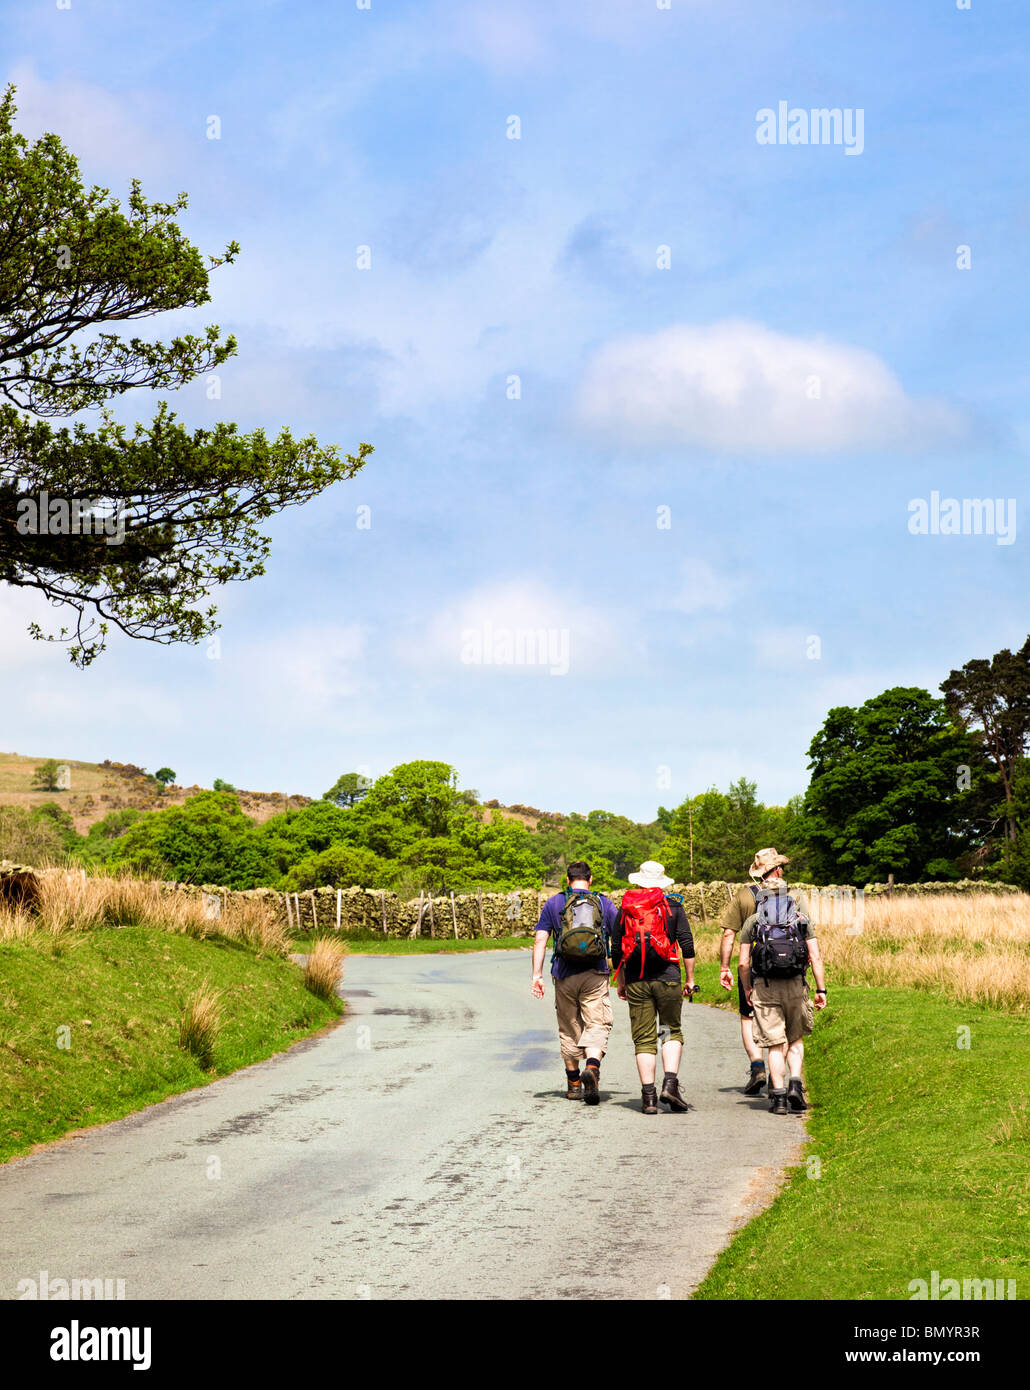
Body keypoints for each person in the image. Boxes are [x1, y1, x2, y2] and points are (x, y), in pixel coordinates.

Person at [736, 852, 826, 1114]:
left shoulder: (753, 922)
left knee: (775, 1044)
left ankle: (777, 1098)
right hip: (796, 985)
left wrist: (748, 988)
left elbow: (743, 962)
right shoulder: (801, 919)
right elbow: (815, 956)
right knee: (795, 1039)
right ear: (787, 894)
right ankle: (796, 1087)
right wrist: (821, 989)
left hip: (765, 985)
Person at [610, 861, 696, 1115]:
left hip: (637, 979)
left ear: (638, 881)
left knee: (644, 1039)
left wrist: (622, 980)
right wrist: (690, 978)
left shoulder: (626, 908)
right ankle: (670, 1084)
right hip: (668, 976)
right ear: (662, 882)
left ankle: (649, 1098)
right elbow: (687, 944)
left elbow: (616, 947)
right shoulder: (673, 906)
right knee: (669, 1030)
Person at [531, 861, 617, 1105]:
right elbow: (619, 935)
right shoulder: (603, 902)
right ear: (590, 880)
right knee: (597, 1022)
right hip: (595, 973)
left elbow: (540, 939)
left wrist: (537, 975)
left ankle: (574, 1083)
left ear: (567, 880)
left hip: (564, 973)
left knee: (569, 1027)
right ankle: (592, 1067)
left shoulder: (555, 902)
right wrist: (620, 970)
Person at [718, 847, 791, 1095]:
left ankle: (757, 1066)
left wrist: (725, 967)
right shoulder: (790, 895)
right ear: (778, 869)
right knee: (781, 1018)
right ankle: (779, 1075)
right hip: (785, 969)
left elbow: (729, 934)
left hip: (752, 965)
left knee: (748, 1016)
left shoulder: (744, 896)